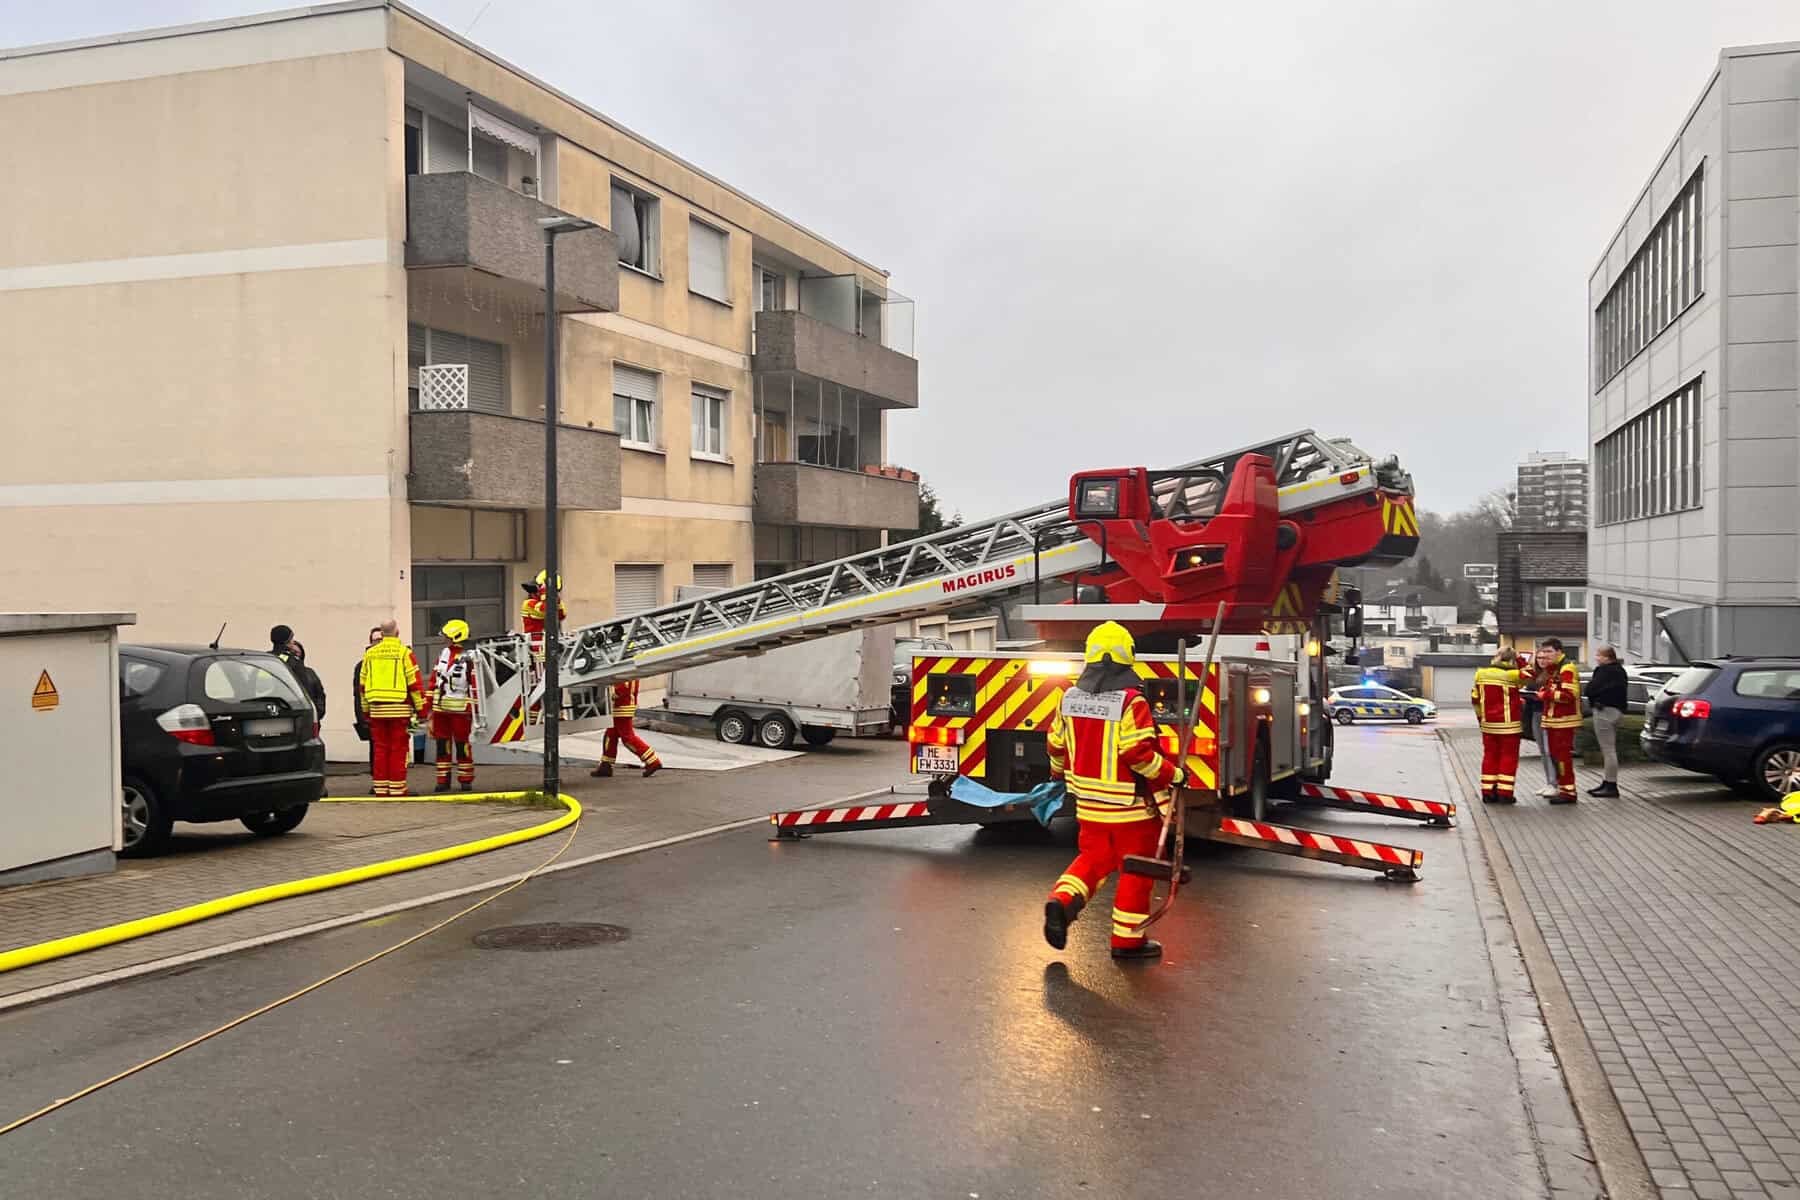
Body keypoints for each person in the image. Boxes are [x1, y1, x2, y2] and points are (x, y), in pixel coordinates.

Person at [1042, 621, 1184, 962]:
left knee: (1093, 861)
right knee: (1136, 871)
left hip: (1088, 806)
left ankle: (1061, 902)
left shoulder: (1069, 698)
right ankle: (1127, 942)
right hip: (1131, 810)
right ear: (1128, 657)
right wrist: (1173, 774)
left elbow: (1055, 745)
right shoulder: (1131, 703)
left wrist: (1059, 773)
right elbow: (1136, 754)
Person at [359, 620, 426, 797]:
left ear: (381, 633)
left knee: (380, 749)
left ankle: (381, 789)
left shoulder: (370, 654)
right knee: (398, 749)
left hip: (376, 710)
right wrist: (422, 710)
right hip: (399, 709)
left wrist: (366, 711)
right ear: (397, 632)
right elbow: (415, 684)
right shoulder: (404, 653)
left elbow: (363, 686)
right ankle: (397, 789)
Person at [425, 620, 479, 793]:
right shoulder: (444, 654)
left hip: (460, 711)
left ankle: (465, 780)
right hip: (441, 710)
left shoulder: (470, 657)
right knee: (442, 746)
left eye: (447, 637)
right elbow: (435, 679)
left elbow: (475, 684)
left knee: (462, 746)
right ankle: (443, 780)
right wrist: (427, 706)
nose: (444, 640)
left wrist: (473, 709)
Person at [1471, 648, 1530, 803]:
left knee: (1490, 756)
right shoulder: (1512, 676)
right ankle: (1505, 793)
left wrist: (1480, 719)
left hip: (1488, 724)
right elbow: (1531, 674)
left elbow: (1475, 699)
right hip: (1509, 725)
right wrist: (1521, 659)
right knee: (1508, 757)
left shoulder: (1481, 674)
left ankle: (1488, 792)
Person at [1536, 638, 1583, 805]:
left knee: (1562, 757)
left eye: (1549, 652)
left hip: (1563, 721)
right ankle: (1564, 788)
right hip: (1553, 721)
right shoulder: (1554, 669)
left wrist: (1546, 695)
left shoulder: (1566, 669)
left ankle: (1568, 792)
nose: (1546, 656)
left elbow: (1570, 696)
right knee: (1556, 756)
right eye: (1544, 652)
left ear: (1559, 651)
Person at [590, 678, 662, 778]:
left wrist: (610, 697)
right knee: (611, 735)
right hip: (623, 705)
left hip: (622, 706)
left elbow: (622, 687)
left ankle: (652, 761)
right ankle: (605, 765)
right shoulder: (632, 668)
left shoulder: (624, 668)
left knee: (627, 738)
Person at [1587, 646, 1627, 798]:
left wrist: (1592, 695)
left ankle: (1611, 784)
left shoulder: (1603, 671)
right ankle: (1607, 782)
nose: (1596, 658)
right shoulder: (1620, 671)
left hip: (1604, 710)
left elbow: (1591, 689)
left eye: (1598, 655)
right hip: (1617, 711)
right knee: (1610, 749)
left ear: (1606, 657)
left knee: (1608, 750)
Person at [270, 624, 327, 720]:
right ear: (287, 641)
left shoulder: (264, 660)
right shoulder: (294, 662)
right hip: (291, 714)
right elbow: (304, 692)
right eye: (292, 638)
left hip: (266, 712)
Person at [352, 625, 381, 771]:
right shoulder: (362, 666)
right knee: (375, 748)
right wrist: (361, 717)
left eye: (381, 639)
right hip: (372, 713)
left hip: (393, 712)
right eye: (375, 640)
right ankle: (377, 780)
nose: (378, 643)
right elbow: (358, 694)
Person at [520, 570, 567, 661]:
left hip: (551, 646)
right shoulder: (528, 604)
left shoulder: (551, 602)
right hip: (537, 648)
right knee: (541, 674)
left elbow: (561, 615)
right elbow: (546, 610)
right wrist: (546, 593)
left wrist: (554, 597)